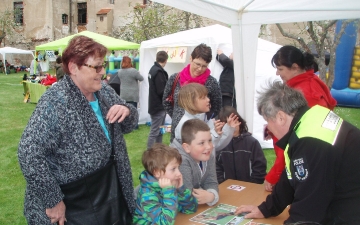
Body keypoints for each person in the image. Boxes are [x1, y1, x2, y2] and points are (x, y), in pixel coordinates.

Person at [18, 35, 138, 225]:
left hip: (106, 195)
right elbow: (29, 153)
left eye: (103, 64)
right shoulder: (56, 102)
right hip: (73, 204)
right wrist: (53, 200)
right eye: (96, 66)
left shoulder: (104, 91)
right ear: (73, 68)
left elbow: (129, 124)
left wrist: (127, 111)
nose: (103, 71)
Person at [235, 81, 360, 224]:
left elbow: (309, 205)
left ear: (281, 117)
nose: (268, 127)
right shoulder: (310, 118)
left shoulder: (310, 141)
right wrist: (266, 209)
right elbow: (291, 176)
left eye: (267, 120)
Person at [264, 45, 337, 192]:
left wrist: (274, 176)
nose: (277, 73)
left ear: (295, 67)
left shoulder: (306, 93)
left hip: (304, 165)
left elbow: (295, 143)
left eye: (280, 69)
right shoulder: (310, 83)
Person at [163, 43, 222, 142]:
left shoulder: (211, 82)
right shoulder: (175, 78)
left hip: (201, 132)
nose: (200, 69)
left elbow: (217, 106)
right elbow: (166, 101)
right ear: (190, 58)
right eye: (197, 64)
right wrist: (177, 116)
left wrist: (204, 119)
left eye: (204, 66)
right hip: (178, 131)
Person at [133, 143, 197, 224]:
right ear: (157, 172)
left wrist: (181, 189)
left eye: (178, 167)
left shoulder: (171, 183)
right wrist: (168, 192)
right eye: (173, 169)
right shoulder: (147, 196)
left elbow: (191, 209)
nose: (179, 173)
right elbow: (165, 223)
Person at [175, 83, 238, 152]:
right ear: (191, 102)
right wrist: (215, 134)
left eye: (207, 97)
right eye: (203, 97)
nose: (208, 100)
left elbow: (215, 146)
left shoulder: (206, 119)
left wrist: (228, 128)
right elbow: (201, 150)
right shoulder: (187, 124)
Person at [170, 119, 219, 206]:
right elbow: (187, 195)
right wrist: (203, 194)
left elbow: (212, 182)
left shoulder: (208, 155)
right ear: (187, 147)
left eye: (210, 140)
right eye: (201, 143)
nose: (208, 147)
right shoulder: (180, 160)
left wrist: (211, 196)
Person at [216, 106, 267, 184]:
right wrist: (222, 183)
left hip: (250, 189)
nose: (232, 127)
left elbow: (259, 166)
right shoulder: (220, 145)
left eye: (234, 123)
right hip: (227, 189)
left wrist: (253, 184)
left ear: (239, 122)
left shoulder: (252, 142)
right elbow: (216, 167)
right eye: (227, 125)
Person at [147, 51, 169, 149]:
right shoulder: (158, 72)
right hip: (158, 105)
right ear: (165, 60)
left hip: (155, 104)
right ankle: (150, 152)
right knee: (155, 131)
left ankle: (159, 150)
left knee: (160, 129)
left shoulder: (152, 69)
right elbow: (161, 91)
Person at [118, 56, 144, 128]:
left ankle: (125, 125)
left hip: (123, 93)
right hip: (133, 93)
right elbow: (141, 78)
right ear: (130, 62)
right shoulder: (133, 71)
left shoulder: (120, 71)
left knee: (124, 110)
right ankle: (135, 126)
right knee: (133, 110)